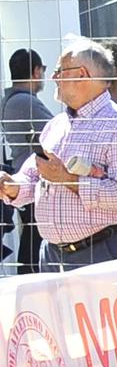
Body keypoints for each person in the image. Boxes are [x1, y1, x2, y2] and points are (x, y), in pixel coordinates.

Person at [0, 38, 117, 269]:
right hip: (50, 256)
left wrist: (68, 179)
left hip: (101, 254)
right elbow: (32, 177)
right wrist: (12, 186)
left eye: (59, 70)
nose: (54, 77)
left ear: (82, 74)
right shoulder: (56, 126)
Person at [1, 48, 53, 266]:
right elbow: (58, 133)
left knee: (32, 235)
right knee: (36, 237)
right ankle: (31, 279)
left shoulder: (9, 99)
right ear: (36, 71)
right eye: (43, 71)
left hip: (21, 177)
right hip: (32, 179)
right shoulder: (25, 101)